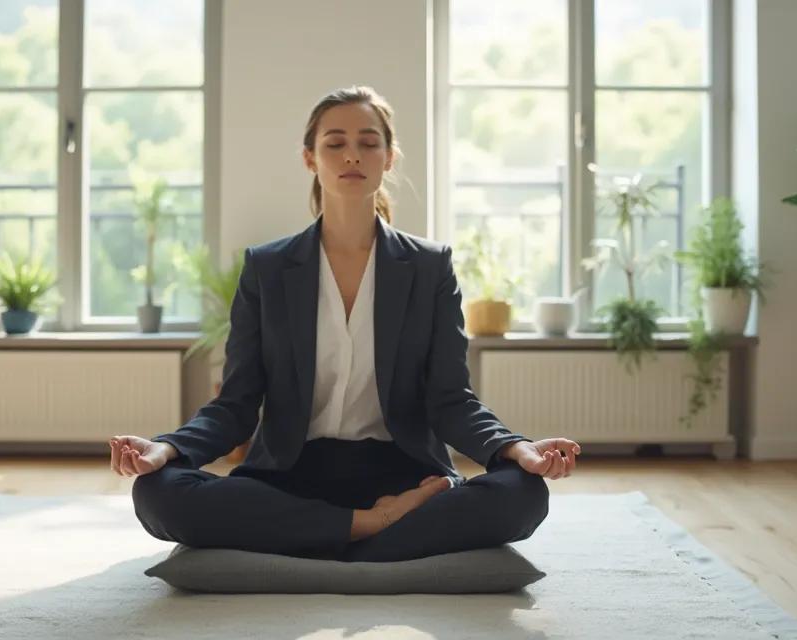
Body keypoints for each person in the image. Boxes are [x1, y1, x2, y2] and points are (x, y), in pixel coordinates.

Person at [108, 85, 581, 563]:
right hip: (291, 476)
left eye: (368, 142)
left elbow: (450, 400)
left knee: (525, 494)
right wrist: (166, 449)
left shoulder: (429, 267)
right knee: (157, 493)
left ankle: (312, 537)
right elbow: (235, 404)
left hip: (403, 474)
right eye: (335, 143)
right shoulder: (267, 269)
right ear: (310, 158)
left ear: (389, 157)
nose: (352, 155)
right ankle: (375, 527)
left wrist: (516, 449)